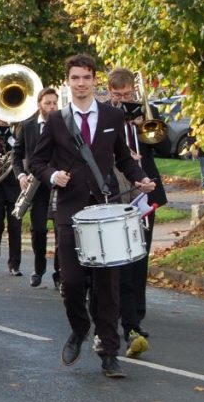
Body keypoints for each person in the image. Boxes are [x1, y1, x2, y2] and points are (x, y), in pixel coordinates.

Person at [30, 54, 155, 379]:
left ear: (94, 80)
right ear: (68, 82)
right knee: (71, 282)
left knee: (107, 285)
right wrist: (52, 175)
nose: (81, 84)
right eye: (75, 78)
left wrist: (140, 177)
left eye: (86, 77)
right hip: (70, 209)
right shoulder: (57, 120)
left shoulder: (113, 115)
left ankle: (109, 352)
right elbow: (37, 161)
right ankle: (79, 327)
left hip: (105, 208)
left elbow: (124, 159)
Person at [106, 69, 169, 357]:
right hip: (118, 191)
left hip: (147, 191)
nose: (123, 100)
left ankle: (136, 320)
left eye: (128, 94)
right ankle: (118, 316)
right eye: (118, 95)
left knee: (141, 256)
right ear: (109, 93)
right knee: (121, 259)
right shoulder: (105, 115)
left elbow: (166, 146)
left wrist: (145, 126)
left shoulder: (147, 110)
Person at [12, 88, 61, 289]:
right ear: (39, 104)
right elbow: (17, 154)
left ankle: (59, 273)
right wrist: (21, 175)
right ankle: (39, 268)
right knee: (38, 229)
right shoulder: (28, 126)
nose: (51, 107)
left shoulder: (64, 124)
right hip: (37, 186)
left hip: (59, 184)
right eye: (48, 103)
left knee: (61, 230)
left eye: (54, 103)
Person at [0, 117, 24, 276]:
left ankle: (14, 264)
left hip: (13, 189)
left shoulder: (15, 140)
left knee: (15, 228)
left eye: (4, 124)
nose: (1, 127)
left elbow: (20, 158)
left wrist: (9, 140)